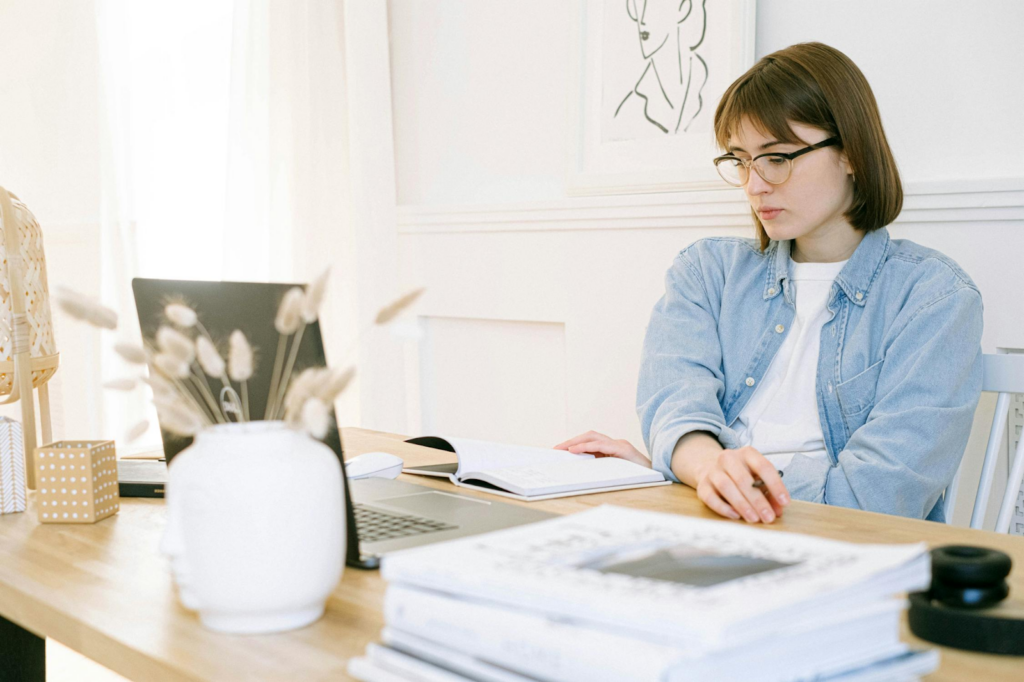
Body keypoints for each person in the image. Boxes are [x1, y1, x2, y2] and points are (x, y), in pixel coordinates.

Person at [556, 42, 983, 524]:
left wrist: (691, 474)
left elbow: (874, 499)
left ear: (851, 154)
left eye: (776, 158)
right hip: (706, 531)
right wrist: (698, 468)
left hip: (845, 556)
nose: (754, 184)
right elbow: (674, 410)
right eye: (741, 160)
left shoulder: (934, 299)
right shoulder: (707, 273)